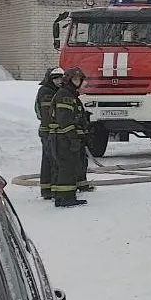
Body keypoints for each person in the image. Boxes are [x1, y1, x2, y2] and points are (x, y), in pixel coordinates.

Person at [49, 67, 91, 207]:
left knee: (66, 167)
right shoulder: (65, 96)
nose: (82, 83)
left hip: (63, 137)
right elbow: (64, 121)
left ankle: (62, 197)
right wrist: (73, 138)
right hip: (63, 139)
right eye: (79, 80)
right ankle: (66, 198)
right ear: (72, 80)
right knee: (67, 167)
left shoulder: (70, 95)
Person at [34, 68, 64, 200]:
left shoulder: (54, 91)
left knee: (50, 159)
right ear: (49, 79)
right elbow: (47, 114)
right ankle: (48, 189)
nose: (59, 81)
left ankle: (48, 188)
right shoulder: (46, 92)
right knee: (50, 160)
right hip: (48, 131)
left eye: (61, 78)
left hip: (50, 130)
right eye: (56, 78)